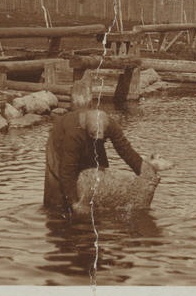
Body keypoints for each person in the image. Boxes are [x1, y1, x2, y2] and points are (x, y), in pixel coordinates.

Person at [43, 80, 144, 218]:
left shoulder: (109, 123)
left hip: (88, 146)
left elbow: (125, 150)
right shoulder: (73, 133)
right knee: (59, 203)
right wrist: (74, 203)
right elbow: (67, 171)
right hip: (58, 149)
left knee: (96, 190)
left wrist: (146, 172)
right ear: (86, 128)